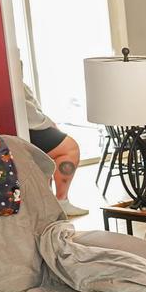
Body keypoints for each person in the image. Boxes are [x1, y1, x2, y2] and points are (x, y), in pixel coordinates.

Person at [22, 84, 89, 218]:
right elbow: (29, 112)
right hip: (26, 128)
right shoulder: (12, 80)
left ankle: (49, 203)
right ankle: (61, 201)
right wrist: (49, 123)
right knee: (70, 148)